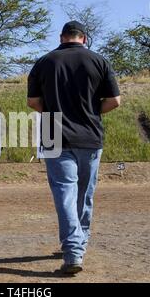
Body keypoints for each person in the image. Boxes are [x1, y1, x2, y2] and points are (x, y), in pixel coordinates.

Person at [27, 21, 121, 275]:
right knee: (84, 194)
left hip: (53, 135)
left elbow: (33, 101)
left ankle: (73, 251)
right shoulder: (99, 61)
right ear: (84, 38)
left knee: (64, 195)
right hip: (89, 135)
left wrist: (54, 115)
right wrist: (91, 112)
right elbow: (114, 101)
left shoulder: (44, 62)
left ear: (62, 37)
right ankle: (79, 245)